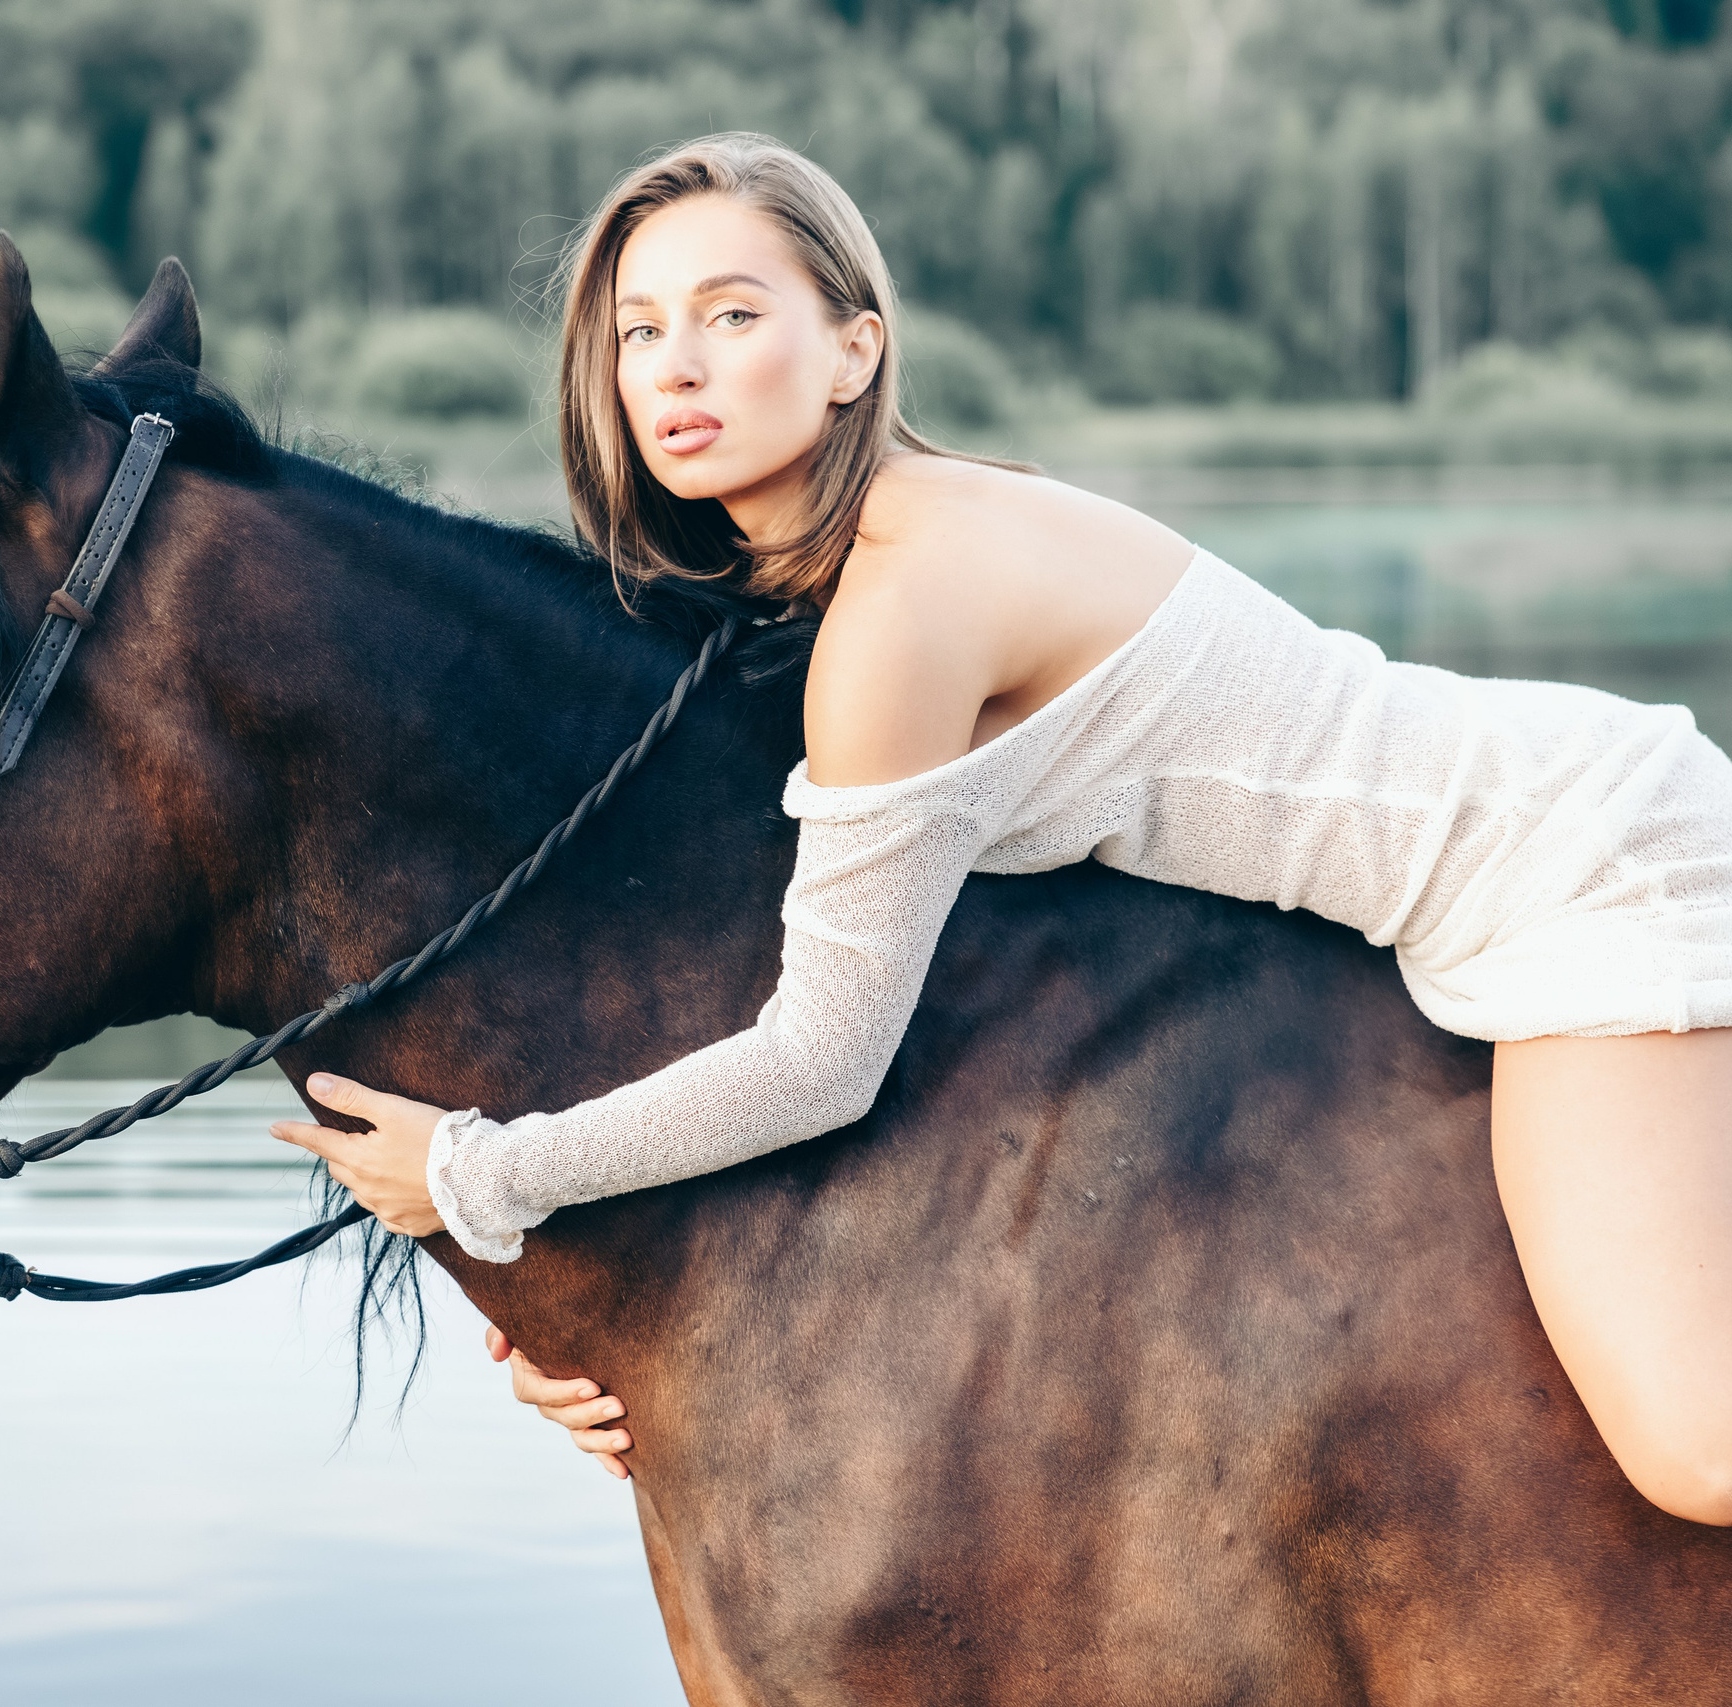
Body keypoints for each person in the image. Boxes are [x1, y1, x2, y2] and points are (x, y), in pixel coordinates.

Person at [270, 133, 1732, 1523]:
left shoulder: (907, 604)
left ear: (856, 351)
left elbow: (823, 1061)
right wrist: (576, 1292)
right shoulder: (856, 574)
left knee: (1699, 1454)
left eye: (731, 313)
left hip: (1578, 863)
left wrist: (483, 1177)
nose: (676, 366)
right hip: (1532, 839)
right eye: (639, 329)